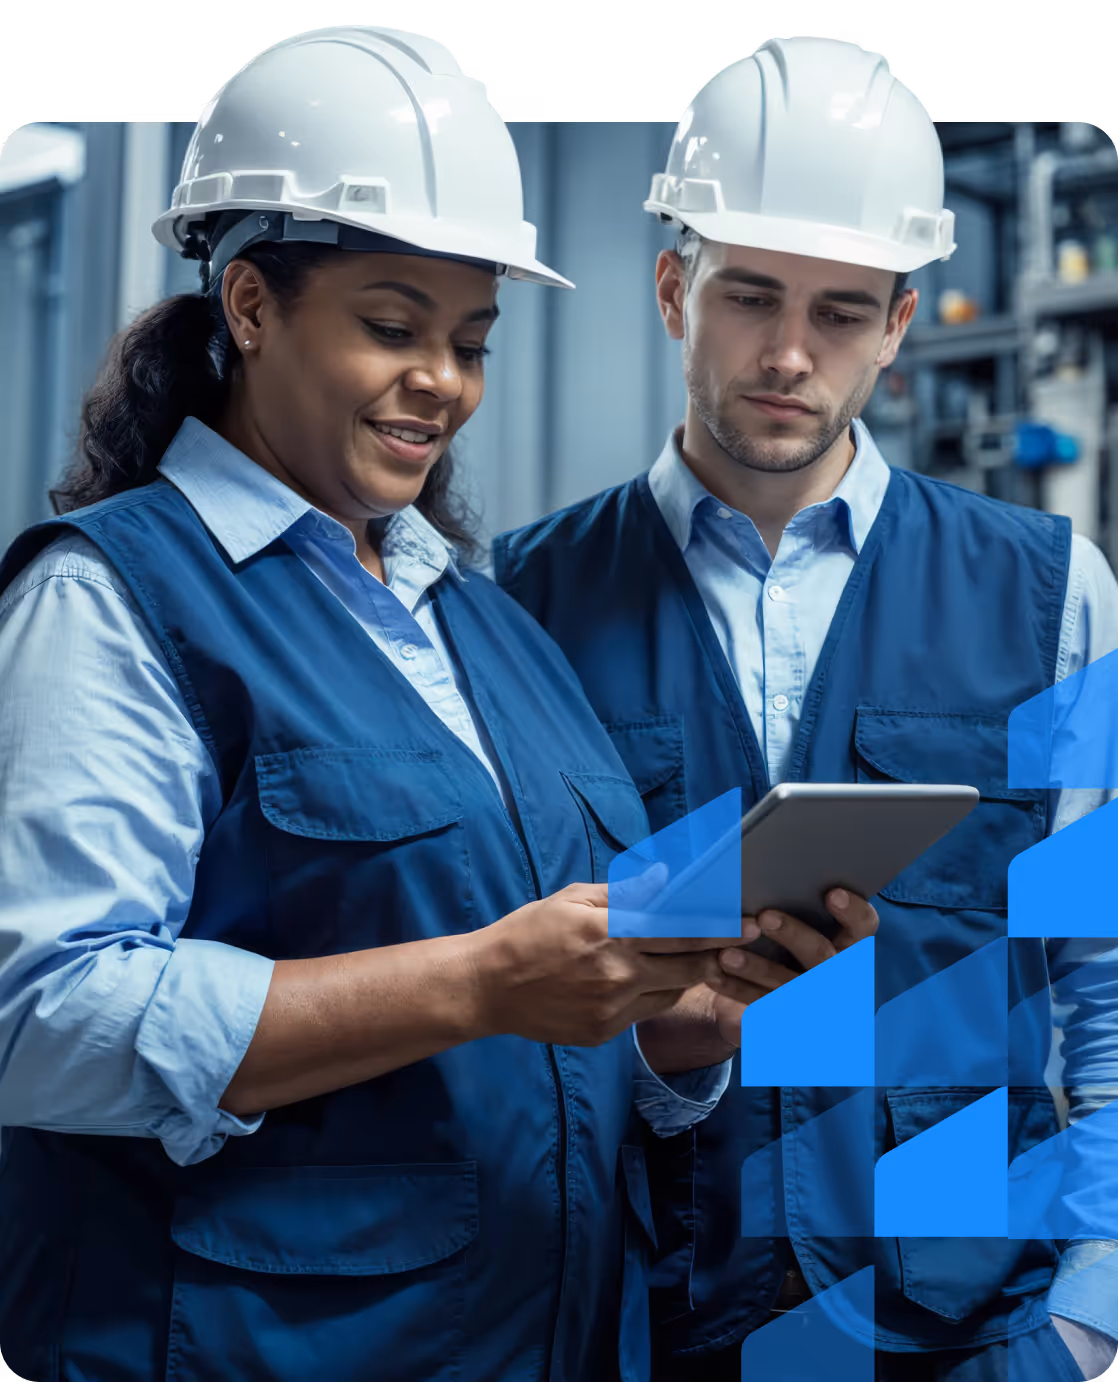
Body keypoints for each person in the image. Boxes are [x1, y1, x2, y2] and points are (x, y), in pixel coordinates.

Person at [0, 29, 882, 1382]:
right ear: (251, 305)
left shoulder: (484, 621)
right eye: (391, 328)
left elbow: (529, 1038)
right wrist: (473, 982)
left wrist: (674, 1030)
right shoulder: (109, 596)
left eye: (470, 342)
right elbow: (40, 1021)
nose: (444, 384)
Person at [493, 36, 1118, 1382]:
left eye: (840, 311)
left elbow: (1102, 971)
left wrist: (1092, 1313)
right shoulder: (518, 606)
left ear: (898, 325)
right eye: (750, 296)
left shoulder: (1055, 592)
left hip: (976, 1328)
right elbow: (501, 1023)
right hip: (653, 1322)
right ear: (675, 290)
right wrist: (663, 1052)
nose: (788, 353)